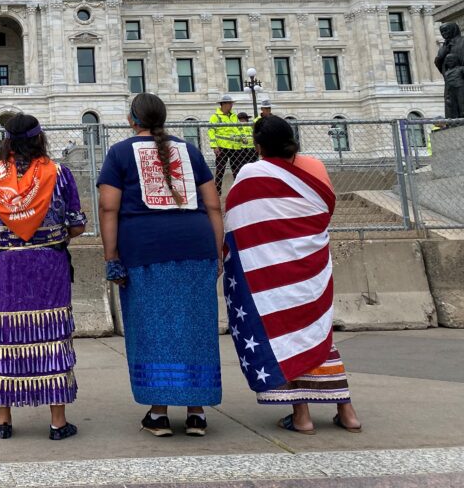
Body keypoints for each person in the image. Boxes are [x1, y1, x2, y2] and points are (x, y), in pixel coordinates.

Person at [223, 116, 362, 435]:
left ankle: (302, 416)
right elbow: (324, 210)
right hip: (310, 264)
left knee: (286, 336)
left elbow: (237, 220)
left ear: (258, 147)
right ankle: (347, 411)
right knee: (320, 334)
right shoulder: (314, 167)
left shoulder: (251, 173)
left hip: (272, 270)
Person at [97, 92, 224, 437]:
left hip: (146, 248)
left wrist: (111, 256)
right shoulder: (190, 151)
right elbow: (213, 205)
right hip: (195, 245)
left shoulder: (120, 153)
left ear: (131, 119)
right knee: (197, 327)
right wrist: (217, 250)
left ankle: (159, 412)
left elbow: (108, 208)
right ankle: (197, 411)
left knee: (151, 328)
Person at [0, 113, 86, 441]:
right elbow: (77, 223)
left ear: (6, 141)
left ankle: (4, 419)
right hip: (49, 266)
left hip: (6, 268)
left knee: (6, 338)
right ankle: (57, 422)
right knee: (50, 335)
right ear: (40, 139)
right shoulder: (60, 174)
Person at [209, 93, 242, 193]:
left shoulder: (234, 116)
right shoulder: (215, 117)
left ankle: (239, 189)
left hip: (235, 147)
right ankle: (217, 191)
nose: (231, 105)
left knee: (236, 170)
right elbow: (211, 131)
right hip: (222, 147)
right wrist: (214, 146)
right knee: (220, 170)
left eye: (231, 103)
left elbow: (239, 128)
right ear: (223, 104)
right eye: (229, 103)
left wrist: (240, 139)